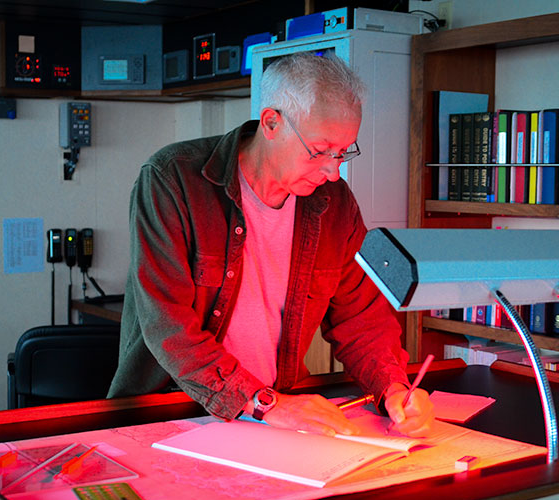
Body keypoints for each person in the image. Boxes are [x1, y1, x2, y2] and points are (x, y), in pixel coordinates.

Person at [108, 52, 433, 437]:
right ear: (272, 123)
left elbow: (360, 317)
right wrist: (264, 403)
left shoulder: (335, 204)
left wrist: (392, 387)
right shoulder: (172, 179)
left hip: (276, 419)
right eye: (320, 151)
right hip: (173, 411)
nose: (333, 171)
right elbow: (168, 327)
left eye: (343, 152)